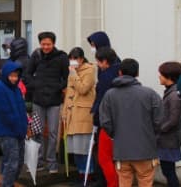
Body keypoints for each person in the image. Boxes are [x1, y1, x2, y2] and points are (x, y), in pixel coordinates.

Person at [99, 58, 163, 187]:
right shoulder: (150, 94)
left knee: (124, 181)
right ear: (137, 73)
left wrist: (115, 135)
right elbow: (159, 121)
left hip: (121, 150)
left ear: (120, 72)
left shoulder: (110, 95)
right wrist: (150, 135)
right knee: (145, 181)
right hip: (146, 149)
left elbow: (105, 122)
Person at [23, 31, 69, 174]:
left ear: (53, 43)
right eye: (43, 44)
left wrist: (58, 87)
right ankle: (40, 160)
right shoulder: (36, 56)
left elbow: (66, 77)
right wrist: (35, 85)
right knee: (38, 131)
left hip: (54, 101)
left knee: (53, 132)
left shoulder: (62, 57)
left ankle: (52, 162)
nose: (46, 47)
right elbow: (27, 75)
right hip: (38, 100)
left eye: (48, 44)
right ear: (40, 44)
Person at [61, 47, 96, 183]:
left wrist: (74, 74)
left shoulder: (90, 70)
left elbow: (83, 89)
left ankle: (88, 176)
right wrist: (64, 112)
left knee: (84, 150)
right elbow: (68, 94)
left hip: (83, 115)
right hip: (71, 115)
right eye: (71, 59)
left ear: (82, 59)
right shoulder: (72, 71)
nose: (73, 61)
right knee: (75, 150)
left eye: (76, 59)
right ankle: (81, 175)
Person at [0, 61, 28, 187]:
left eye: (16, 76)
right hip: (7, 131)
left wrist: (24, 127)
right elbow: (4, 112)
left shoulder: (16, 89)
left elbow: (22, 110)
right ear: (6, 74)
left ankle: (8, 183)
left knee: (18, 161)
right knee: (12, 162)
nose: (14, 78)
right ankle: (7, 184)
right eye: (11, 75)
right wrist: (19, 126)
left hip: (19, 131)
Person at [92, 47, 121, 187]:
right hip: (120, 120)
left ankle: (111, 183)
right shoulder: (119, 72)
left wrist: (96, 120)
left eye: (98, 61)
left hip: (106, 122)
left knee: (104, 158)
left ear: (104, 61)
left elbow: (101, 100)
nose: (97, 64)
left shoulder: (105, 77)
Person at [157, 62, 181, 187]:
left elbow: (174, 120)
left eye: (161, 75)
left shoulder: (174, 95)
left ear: (168, 77)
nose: (159, 77)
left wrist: (159, 129)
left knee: (169, 171)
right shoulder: (171, 92)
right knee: (168, 171)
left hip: (169, 140)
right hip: (167, 139)